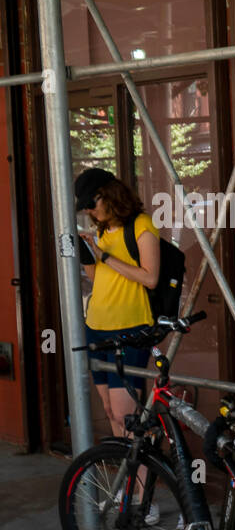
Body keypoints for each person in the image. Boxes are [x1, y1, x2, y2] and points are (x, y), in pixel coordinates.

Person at [74, 167, 161, 441]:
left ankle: (140, 482)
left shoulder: (141, 224)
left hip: (129, 328)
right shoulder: (101, 230)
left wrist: (106, 256)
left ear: (108, 195)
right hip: (96, 326)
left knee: (128, 419)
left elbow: (151, 278)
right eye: (84, 207)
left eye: (91, 203)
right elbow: (97, 278)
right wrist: (88, 255)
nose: (88, 211)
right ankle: (128, 484)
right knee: (111, 411)